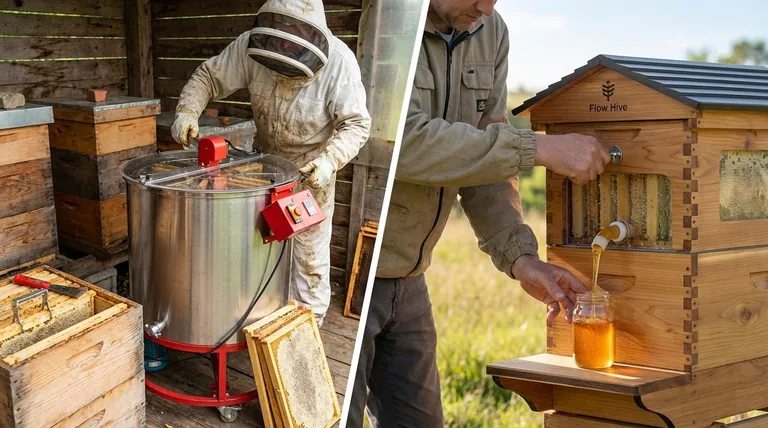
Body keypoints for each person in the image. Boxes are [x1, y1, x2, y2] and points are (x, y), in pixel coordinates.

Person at [347, 0, 609, 426]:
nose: (487, 8)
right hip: (355, 271)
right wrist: (537, 148)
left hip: (410, 280)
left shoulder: (492, 31)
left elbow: (483, 165)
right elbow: (400, 140)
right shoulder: (392, 14)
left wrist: (520, 259)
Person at [170, 0, 372, 326]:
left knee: (308, 257)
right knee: (256, 246)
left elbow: (357, 124)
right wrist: (187, 112)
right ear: (272, 22)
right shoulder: (251, 45)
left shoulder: (339, 63)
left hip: (310, 172)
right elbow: (208, 76)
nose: (285, 43)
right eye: (281, 31)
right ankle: (255, 319)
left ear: (311, 31)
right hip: (262, 166)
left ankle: (306, 328)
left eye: (294, 34)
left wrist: (328, 161)